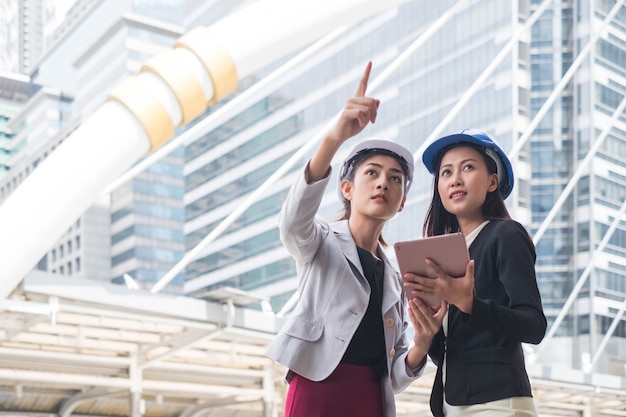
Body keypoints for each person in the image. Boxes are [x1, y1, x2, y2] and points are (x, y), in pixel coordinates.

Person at [265, 62, 446, 417]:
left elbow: (395, 374)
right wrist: (334, 138)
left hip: (370, 398)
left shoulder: (398, 275)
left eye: (395, 179)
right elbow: (292, 223)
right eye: (373, 174)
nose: (383, 183)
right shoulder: (320, 241)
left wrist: (422, 345)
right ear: (346, 188)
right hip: (317, 386)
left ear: (402, 202)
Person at [402, 129, 547, 417]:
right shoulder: (443, 257)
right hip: (450, 405)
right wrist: (428, 334)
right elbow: (453, 349)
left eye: (468, 167)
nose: (455, 179)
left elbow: (534, 326)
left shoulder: (505, 234)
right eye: (446, 173)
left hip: (497, 404)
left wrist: (468, 303)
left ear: (493, 181)